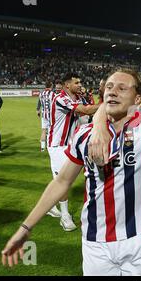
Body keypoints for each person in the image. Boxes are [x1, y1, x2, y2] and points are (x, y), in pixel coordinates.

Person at [1, 36, 141, 276]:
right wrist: (26, 227)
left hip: (138, 244)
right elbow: (62, 181)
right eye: (109, 87)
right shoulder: (85, 134)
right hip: (96, 244)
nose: (113, 92)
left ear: (137, 99)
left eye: (123, 88)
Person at [45, 73, 100, 230]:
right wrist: (108, 104)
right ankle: (65, 216)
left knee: (61, 178)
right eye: (77, 82)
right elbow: (86, 110)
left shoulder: (78, 98)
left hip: (72, 143)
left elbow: (88, 113)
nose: (80, 84)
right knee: (64, 181)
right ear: (67, 85)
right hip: (58, 145)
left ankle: (50, 205)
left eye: (80, 81)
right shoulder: (60, 98)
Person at [37, 81, 56, 152]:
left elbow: (40, 102)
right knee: (52, 131)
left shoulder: (41, 94)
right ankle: (50, 146)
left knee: (43, 131)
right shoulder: (53, 94)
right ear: (51, 86)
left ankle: (42, 148)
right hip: (51, 115)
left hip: (43, 115)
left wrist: (38, 109)